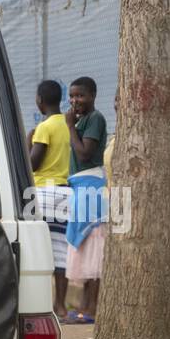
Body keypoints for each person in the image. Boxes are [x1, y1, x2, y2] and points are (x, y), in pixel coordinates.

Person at [63, 76, 108, 323]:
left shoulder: (95, 119)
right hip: (82, 187)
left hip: (92, 188)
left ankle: (91, 309)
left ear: (92, 96)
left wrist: (70, 126)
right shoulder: (83, 120)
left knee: (93, 247)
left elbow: (84, 153)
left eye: (80, 96)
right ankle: (83, 307)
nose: (74, 101)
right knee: (84, 245)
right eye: (71, 96)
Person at [27, 80, 72, 316]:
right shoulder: (67, 125)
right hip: (65, 191)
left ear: (40, 100)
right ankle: (61, 305)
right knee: (60, 250)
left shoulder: (43, 128)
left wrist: (28, 143)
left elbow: (33, 163)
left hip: (43, 191)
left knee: (37, 248)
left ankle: (40, 303)